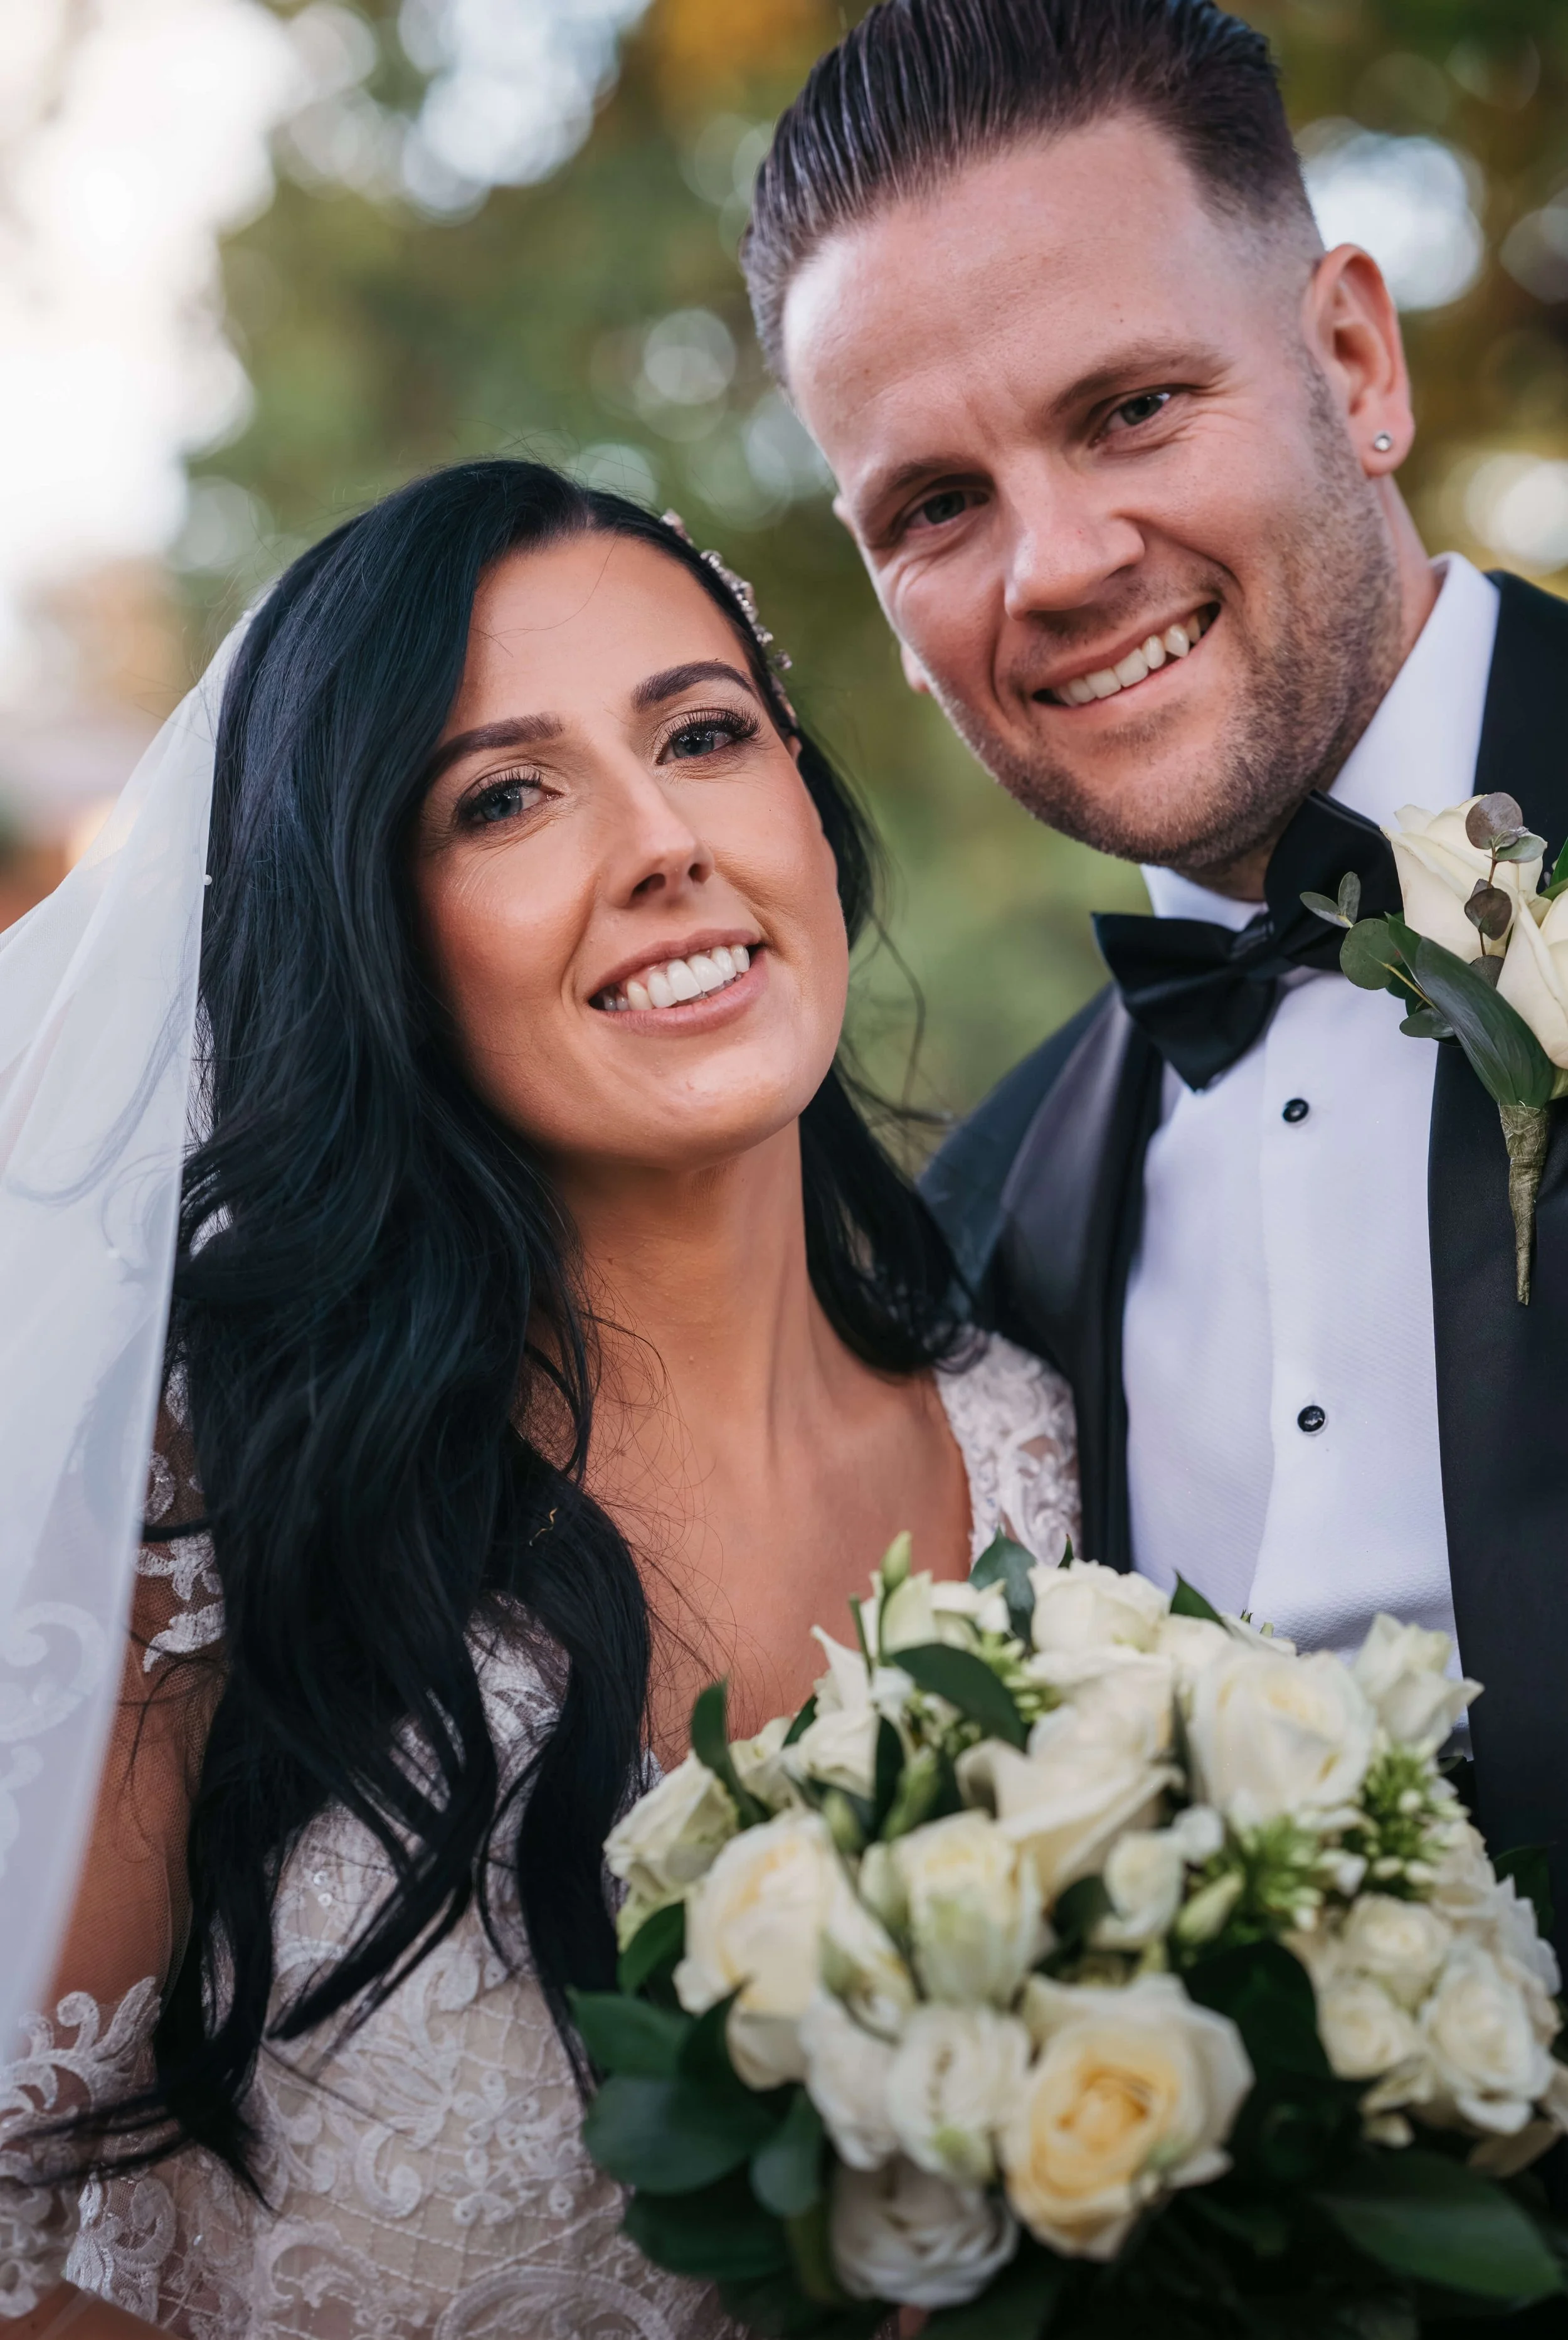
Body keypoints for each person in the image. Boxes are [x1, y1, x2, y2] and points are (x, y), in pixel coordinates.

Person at [0, 462, 1077, 2336]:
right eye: (505, 796)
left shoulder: (1045, 1456)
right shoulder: (189, 1522)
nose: (662, 840)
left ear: (808, 811)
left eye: (705, 733)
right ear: (368, 935)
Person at [743, 0, 1568, 1939]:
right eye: (932, 506)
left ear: (1353, 363)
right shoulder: (979, 1225)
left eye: (1127, 410)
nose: (1052, 564)